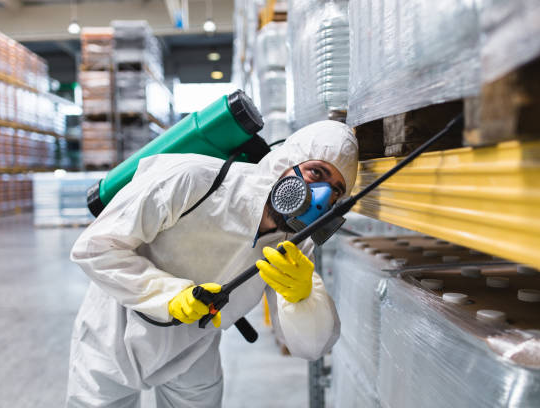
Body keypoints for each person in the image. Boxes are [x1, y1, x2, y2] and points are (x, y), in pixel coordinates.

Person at [66, 120, 359, 407]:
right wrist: (169, 295)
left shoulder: (295, 243)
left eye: (335, 191)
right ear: (287, 161)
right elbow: (96, 247)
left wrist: (303, 299)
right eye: (316, 172)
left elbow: (309, 346)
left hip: (193, 349)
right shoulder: (192, 179)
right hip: (115, 334)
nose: (321, 198)